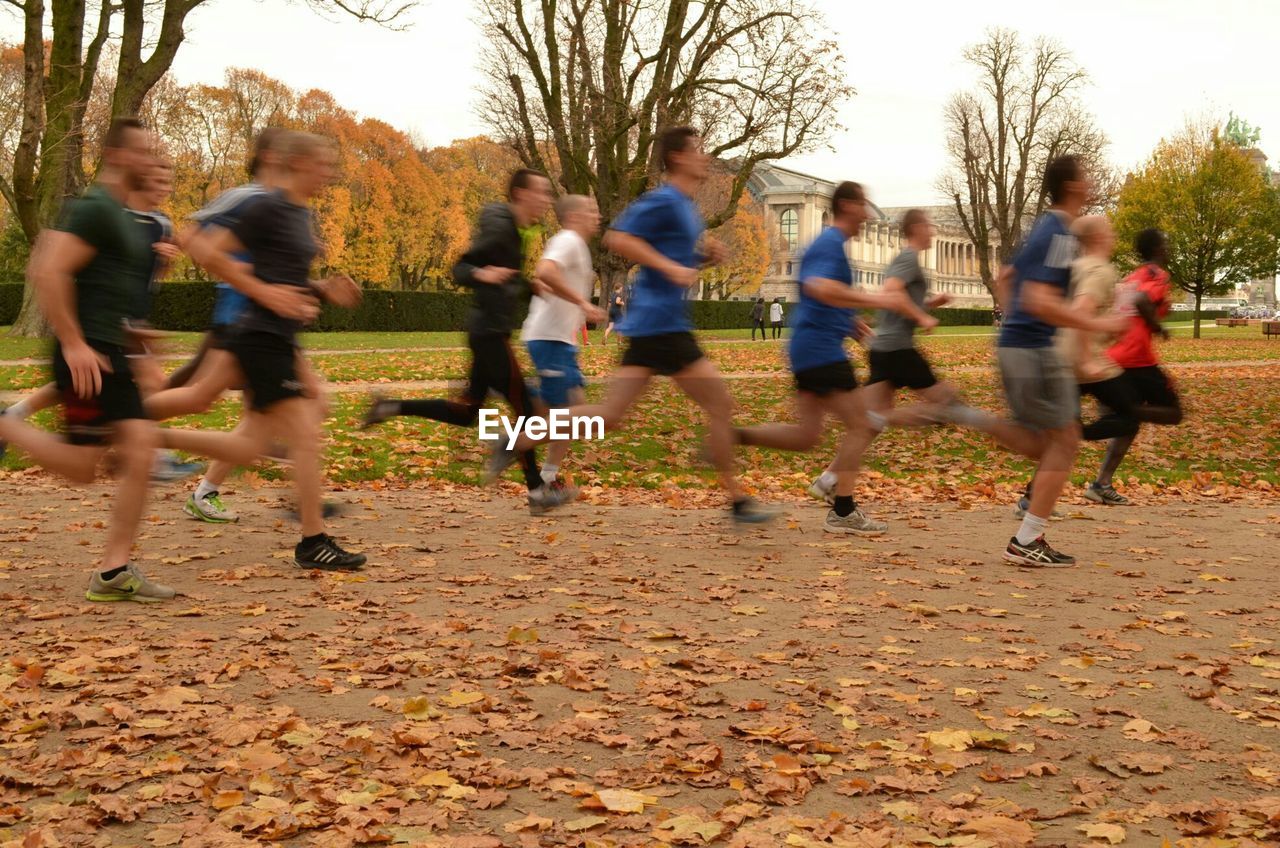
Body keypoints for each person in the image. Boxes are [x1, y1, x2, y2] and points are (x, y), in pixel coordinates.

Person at [494, 126, 780, 524]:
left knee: (611, 415)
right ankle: (737, 502)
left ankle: (517, 438)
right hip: (662, 327)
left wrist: (700, 260)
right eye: (699, 150)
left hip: (656, 325)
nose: (706, 157)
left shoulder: (686, 205)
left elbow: (672, 264)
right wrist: (670, 267)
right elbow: (617, 238)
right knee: (719, 405)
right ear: (678, 157)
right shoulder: (663, 199)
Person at [156, 131, 367, 571]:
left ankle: (132, 429)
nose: (329, 172)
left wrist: (320, 290)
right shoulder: (266, 205)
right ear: (298, 163)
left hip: (272, 334)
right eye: (322, 163)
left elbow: (281, 273)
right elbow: (209, 252)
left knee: (241, 435)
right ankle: (313, 540)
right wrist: (266, 294)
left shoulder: (297, 211)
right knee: (305, 436)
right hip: (262, 334)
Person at [0, 118, 174, 602]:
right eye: (143, 151)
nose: (151, 159)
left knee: (140, 451)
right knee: (81, 468)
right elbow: (49, 269)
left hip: (112, 352)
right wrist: (74, 343)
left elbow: (110, 291)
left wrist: (140, 341)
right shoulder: (96, 207)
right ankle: (6, 424)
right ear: (119, 155)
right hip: (88, 358)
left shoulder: (121, 214)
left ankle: (114, 571)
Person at [360, 168, 575, 515]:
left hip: (487, 332)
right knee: (529, 412)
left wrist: (529, 286)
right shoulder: (500, 226)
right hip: (489, 334)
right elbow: (461, 268)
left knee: (465, 412)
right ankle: (536, 490)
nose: (547, 200)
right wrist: (482, 273)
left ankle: (389, 406)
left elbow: (506, 279)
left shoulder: (515, 231)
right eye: (542, 192)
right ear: (521, 193)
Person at [806, 209, 1034, 508]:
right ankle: (995, 429)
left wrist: (929, 303)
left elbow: (895, 300)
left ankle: (826, 480)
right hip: (898, 350)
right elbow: (891, 293)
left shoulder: (907, 259)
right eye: (929, 225)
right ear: (916, 228)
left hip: (884, 349)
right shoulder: (908, 258)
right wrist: (921, 316)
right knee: (945, 403)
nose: (933, 230)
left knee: (866, 428)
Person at [731, 182, 918, 534]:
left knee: (807, 435)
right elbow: (818, 287)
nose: (866, 213)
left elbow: (822, 300)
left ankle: (735, 436)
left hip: (809, 348)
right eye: (863, 205)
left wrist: (854, 326)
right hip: (820, 351)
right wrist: (877, 300)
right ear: (847, 205)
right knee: (864, 424)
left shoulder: (832, 246)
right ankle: (843, 510)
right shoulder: (830, 244)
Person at [0, 160, 201, 483]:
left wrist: (165, 259)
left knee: (126, 396)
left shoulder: (161, 223)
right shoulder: (105, 215)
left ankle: (141, 453)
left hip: (128, 321)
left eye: (168, 181)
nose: (165, 187)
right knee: (145, 388)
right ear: (140, 178)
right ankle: (151, 456)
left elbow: (146, 279)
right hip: (103, 328)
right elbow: (60, 269)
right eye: (158, 179)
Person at [152, 128, 293, 524]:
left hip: (262, 320)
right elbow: (193, 235)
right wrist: (247, 275)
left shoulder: (280, 203)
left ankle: (204, 489)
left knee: (258, 413)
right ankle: (120, 425)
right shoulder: (248, 196)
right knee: (203, 395)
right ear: (269, 155)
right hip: (240, 315)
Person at [993, 154, 1128, 567]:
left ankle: (1028, 536)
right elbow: (1038, 299)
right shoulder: (1058, 233)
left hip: (1025, 344)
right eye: (1085, 177)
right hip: (1033, 348)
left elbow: (1006, 279)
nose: (1090, 183)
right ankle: (1026, 539)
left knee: (1058, 440)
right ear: (1072, 186)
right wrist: (1095, 320)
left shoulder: (1050, 229)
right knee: (1063, 440)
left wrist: (1009, 323)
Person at [1087, 228, 1183, 500]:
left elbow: (1127, 304)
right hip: (1138, 358)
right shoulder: (1157, 273)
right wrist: (1157, 326)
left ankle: (1101, 484)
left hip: (1117, 356)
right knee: (1174, 413)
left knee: (1126, 426)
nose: (1167, 247)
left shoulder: (1131, 277)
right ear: (1157, 248)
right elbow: (1143, 300)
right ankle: (1123, 412)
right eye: (1164, 242)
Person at [523, 194, 607, 486]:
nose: (597, 215)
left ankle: (547, 478)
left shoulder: (577, 245)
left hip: (559, 341)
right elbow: (544, 271)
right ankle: (511, 443)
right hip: (548, 339)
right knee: (571, 415)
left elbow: (542, 280)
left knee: (573, 413)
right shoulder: (568, 239)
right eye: (590, 210)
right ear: (573, 217)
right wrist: (582, 304)